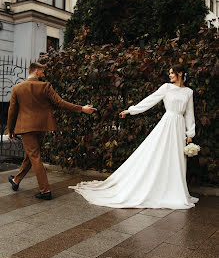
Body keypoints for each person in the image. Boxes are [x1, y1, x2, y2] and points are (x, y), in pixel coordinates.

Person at [69, 64, 199, 209]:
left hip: (179, 126)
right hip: (167, 124)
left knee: (176, 158)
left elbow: (189, 113)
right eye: (169, 73)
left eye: (172, 73)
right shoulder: (166, 88)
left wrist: (190, 134)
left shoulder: (188, 92)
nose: (170, 75)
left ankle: (175, 190)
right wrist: (131, 110)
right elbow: (150, 100)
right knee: (159, 154)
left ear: (180, 73)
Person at [7, 62, 96, 200]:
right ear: (36, 71)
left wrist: (10, 130)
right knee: (31, 155)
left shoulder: (17, 88)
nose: (43, 74)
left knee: (34, 156)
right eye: (42, 72)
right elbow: (60, 102)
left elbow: (12, 112)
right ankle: (16, 180)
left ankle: (45, 191)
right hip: (42, 126)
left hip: (26, 127)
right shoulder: (45, 86)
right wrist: (81, 108)